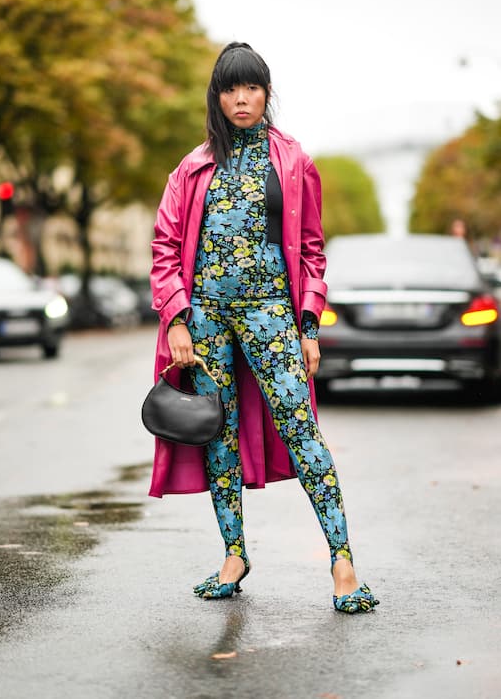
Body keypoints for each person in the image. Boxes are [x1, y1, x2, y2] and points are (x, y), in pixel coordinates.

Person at [148, 42, 378, 613]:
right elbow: (165, 247)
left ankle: (343, 562)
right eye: (230, 89)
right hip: (205, 320)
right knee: (215, 434)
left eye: (251, 87)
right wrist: (177, 317)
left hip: (271, 313)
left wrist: (309, 325)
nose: (241, 98)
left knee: (301, 430)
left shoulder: (293, 161)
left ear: (266, 93)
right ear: (217, 97)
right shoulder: (193, 166)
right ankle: (234, 553)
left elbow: (311, 251)